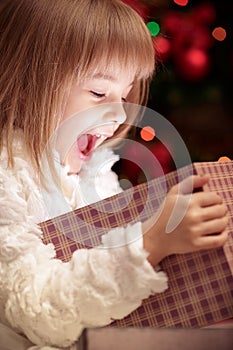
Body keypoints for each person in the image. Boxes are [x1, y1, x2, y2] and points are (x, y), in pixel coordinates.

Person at [0, 0, 229, 349]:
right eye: (97, 92)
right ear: (28, 83)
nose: (120, 113)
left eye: (124, 95)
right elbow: (36, 308)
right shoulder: (8, 177)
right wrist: (150, 243)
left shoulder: (96, 176)